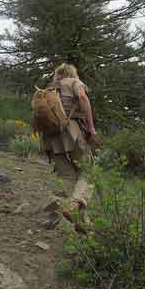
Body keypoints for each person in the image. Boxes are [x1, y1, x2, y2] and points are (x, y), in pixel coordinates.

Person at [42, 63, 97, 231]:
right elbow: (82, 97)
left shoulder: (49, 89)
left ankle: (79, 220)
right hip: (70, 130)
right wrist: (92, 128)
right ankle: (73, 205)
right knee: (88, 170)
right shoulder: (74, 82)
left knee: (69, 177)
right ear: (72, 73)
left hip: (49, 137)